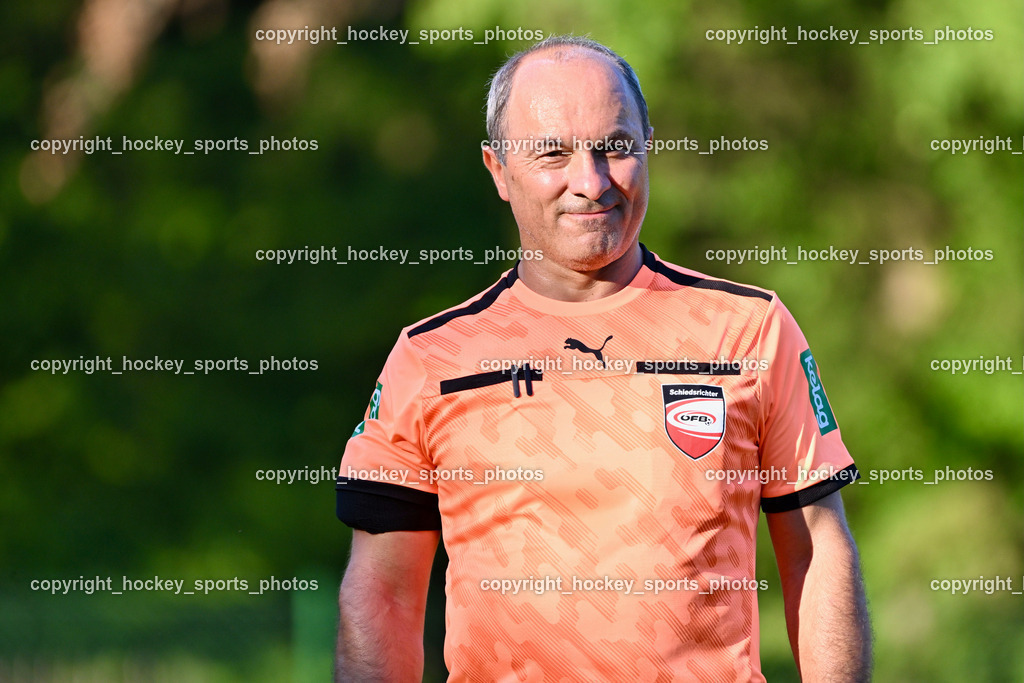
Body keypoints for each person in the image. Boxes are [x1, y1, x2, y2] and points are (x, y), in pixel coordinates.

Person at [334, 35, 872, 682]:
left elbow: (815, 551)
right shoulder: (431, 359)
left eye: (615, 147)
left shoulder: (749, 330)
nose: (590, 182)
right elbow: (384, 593)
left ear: (648, 147)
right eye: (552, 153)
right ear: (498, 170)